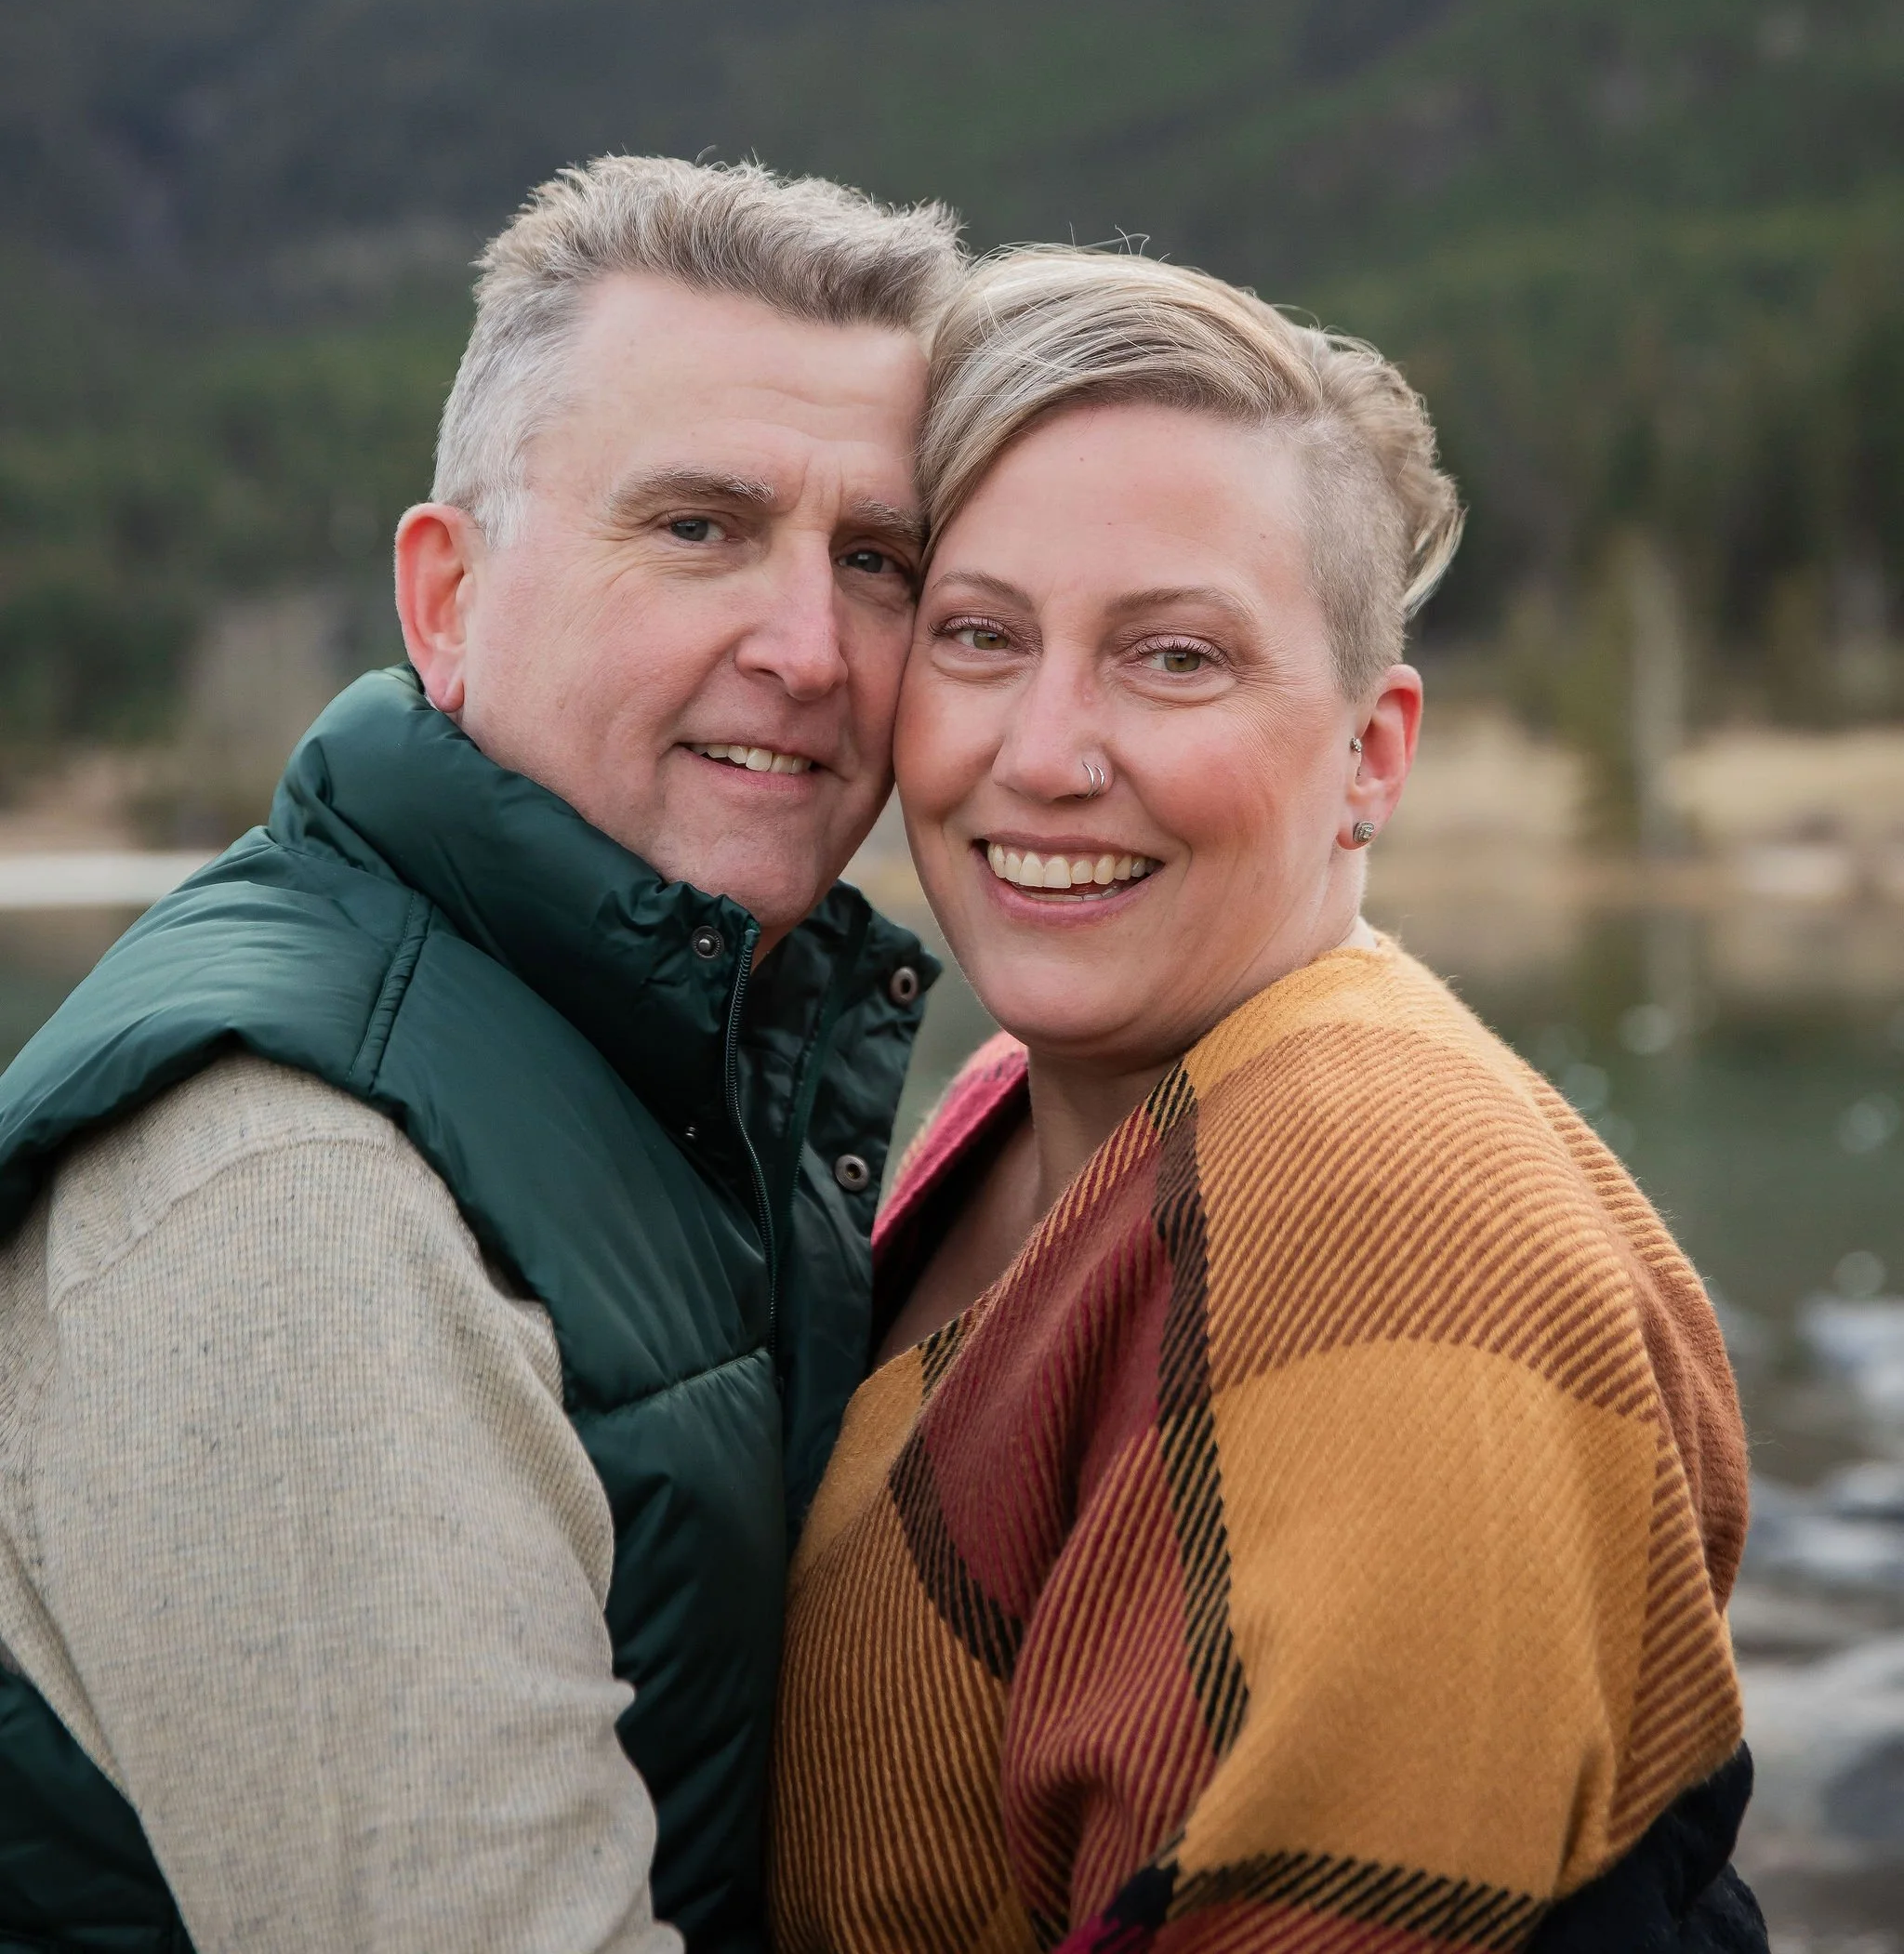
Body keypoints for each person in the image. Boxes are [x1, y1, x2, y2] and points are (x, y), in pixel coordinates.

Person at [0, 153, 964, 1954]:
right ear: (443, 598)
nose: (809, 647)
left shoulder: (673, 1060)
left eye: (881, 562)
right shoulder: (293, 1197)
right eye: (698, 527)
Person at [771, 248, 1765, 1954]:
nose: (1046, 750)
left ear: (1374, 752)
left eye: (1173, 659)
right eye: (982, 636)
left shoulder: (1382, 1202)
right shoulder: (1026, 1106)